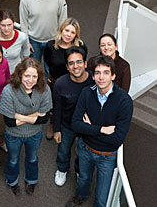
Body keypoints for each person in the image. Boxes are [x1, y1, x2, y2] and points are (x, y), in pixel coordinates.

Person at [65, 55, 133, 207]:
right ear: (93, 75)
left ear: (113, 76)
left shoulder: (124, 101)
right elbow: (75, 124)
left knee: (102, 198)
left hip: (107, 156)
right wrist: (101, 129)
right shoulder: (86, 92)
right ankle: (80, 196)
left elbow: (117, 139)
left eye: (106, 72)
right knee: (83, 178)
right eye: (97, 73)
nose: (101, 77)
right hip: (85, 148)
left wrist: (88, 128)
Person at [0, 58, 52, 196]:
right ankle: (12, 181)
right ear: (20, 75)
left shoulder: (45, 90)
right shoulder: (8, 91)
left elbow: (44, 119)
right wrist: (34, 115)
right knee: (13, 159)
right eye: (27, 75)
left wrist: (20, 116)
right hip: (13, 135)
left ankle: (32, 180)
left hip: (34, 134)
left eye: (35, 76)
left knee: (32, 158)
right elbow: (9, 122)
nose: (30, 80)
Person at [52, 46, 94, 187]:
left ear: (85, 63)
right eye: (71, 63)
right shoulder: (60, 84)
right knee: (63, 151)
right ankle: (62, 170)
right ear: (67, 67)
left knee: (83, 154)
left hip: (86, 126)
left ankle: (78, 170)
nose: (76, 66)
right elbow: (57, 109)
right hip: (67, 125)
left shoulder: (94, 81)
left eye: (79, 62)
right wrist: (57, 129)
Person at [44, 18, 87, 140]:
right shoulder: (51, 45)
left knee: (73, 105)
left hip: (74, 82)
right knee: (53, 105)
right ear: (61, 30)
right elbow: (48, 61)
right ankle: (52, 123)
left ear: (76, 35)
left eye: (72, 32)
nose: (68, 35)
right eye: (66, 30)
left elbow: (82, 64)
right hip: (54, 82)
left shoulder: (81, 47)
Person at [19, 0, 67, 67]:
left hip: (53, 40)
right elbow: (24, 23)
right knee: (34, 69)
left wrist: (61, 38)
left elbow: (63, 19)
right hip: (34, 41)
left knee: (50, 69)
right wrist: (26, 42)